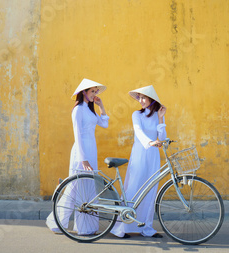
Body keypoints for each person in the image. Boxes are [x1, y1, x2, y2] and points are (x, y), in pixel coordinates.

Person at [46, 78, 109, 234]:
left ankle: (88, 227)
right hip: (81, 152)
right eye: (92, 91)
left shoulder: (90, 109)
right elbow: (77, 136)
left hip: (91, 150)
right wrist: (83, 158)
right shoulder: (78, 110)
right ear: (83, 93)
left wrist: (101, 106)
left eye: (96, 91)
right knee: (75, 187)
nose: (95, 94)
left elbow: (105, 124)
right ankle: (59, 222)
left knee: (88, 188)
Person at [111, 85, 167, 238]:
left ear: (151, 99)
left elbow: (161, 138)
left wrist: (161, 117)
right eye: (139, 97)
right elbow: (139, 132)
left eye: (143, 97)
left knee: (150, 190)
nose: (140, 100)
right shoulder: (137, 114)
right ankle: (120, 228)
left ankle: (146, 227)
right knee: (134, 187)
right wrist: (149, 142)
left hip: (153, 156)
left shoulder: (157, 114)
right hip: (140, 153)